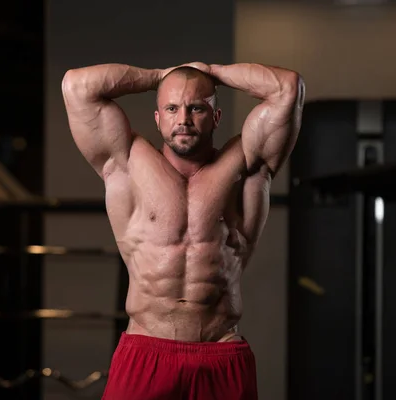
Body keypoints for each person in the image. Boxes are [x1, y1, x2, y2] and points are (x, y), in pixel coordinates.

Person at [62, 61, 305, 400]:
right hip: (146, 351)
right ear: (158, 117)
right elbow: (77, 85)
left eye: (197, 108)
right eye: (172, 108)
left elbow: (287, 88)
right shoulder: (127, 162)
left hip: (220, 353)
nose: (184, 119)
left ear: (216, 117)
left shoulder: (246, 166)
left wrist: (209, 71)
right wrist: (160, 76)